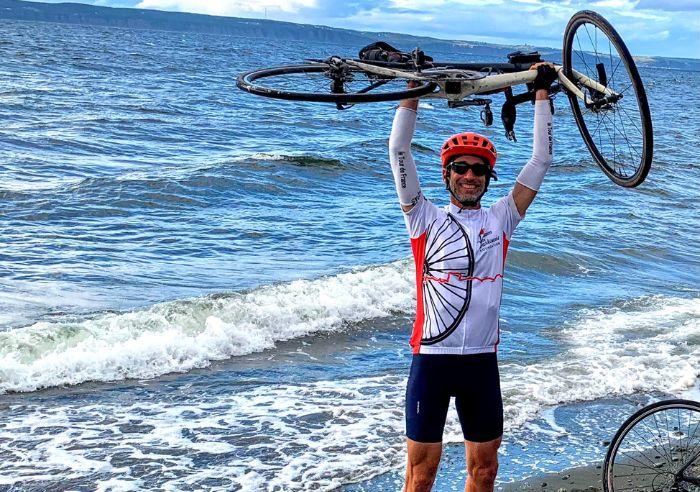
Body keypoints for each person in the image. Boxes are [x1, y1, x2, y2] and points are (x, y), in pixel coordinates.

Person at [388, 63, 557, 492]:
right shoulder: (423, 217)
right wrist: (413, 91)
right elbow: (398, 152)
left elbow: (540, 160)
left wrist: (541, 94)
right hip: (432, 359)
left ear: (487, 178)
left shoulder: (502, 218)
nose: (469, 175)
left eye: (478, 169)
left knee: (484, 470)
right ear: (446, 174)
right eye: (460, 167)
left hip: (482, 361)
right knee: (421, 476)